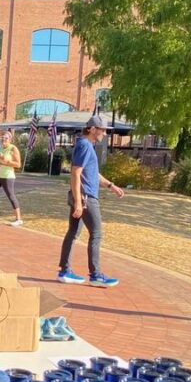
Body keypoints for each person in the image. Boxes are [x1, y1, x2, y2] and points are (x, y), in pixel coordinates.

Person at [56, 115, 124, 287]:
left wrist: (111, 186)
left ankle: (65, 271)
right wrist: (79, 202)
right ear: (92, 129)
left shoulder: (86, 145)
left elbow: (93, 173)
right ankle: (96, 275)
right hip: (86, 197)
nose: (104, 134)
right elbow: (75, 173)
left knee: (73, 232)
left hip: (82, 196)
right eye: (102, 130)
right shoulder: (85, 145)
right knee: (96, 234)